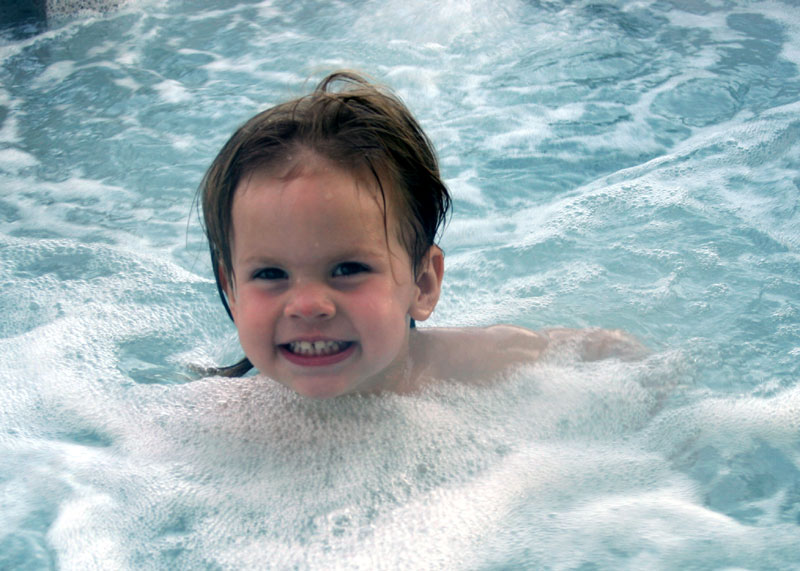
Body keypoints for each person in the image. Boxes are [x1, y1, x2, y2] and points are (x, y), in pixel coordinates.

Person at [198, 70, 644, 399]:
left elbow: (611, 351)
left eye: (347, 269)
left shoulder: (476, 367)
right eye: (271, 274)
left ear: (423, 284)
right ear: (230, 289)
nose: (309, 305)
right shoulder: (221, 423)